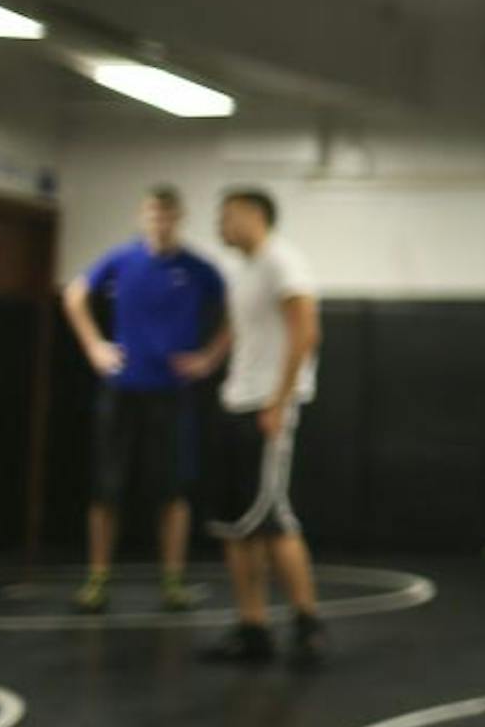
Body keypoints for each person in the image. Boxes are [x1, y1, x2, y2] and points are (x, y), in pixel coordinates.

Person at [61, 184, 228, 614]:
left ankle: (172, 581)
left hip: (171, 392)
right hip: (121, 389)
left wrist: (210, 356)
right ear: (142, 217)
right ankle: (97, 578)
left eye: (168, 214)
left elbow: (236, 308)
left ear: (180, 218)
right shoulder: (121, 260)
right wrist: (94, 345)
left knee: (172, 490)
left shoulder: (196, 268)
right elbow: (74, 295)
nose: (161, 221)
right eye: (154, 213)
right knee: (106, 488)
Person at [189, 187, 326, 669]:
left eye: (227, 217)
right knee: (235, 525)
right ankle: (253, 626)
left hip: (268, 406)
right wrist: (210, 358)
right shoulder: (239, 268)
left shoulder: (283, 262)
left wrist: (279, 399)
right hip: (236, 399)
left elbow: (306, 331)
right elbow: (238, 324)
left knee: (272, 519)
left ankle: (308, 623)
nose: (220, 225)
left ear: (253, 216)